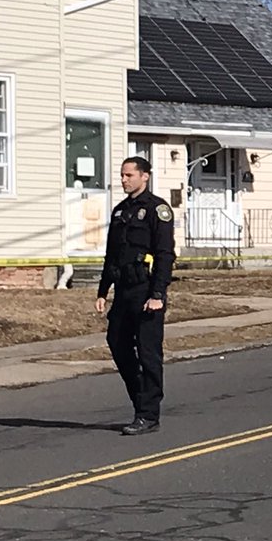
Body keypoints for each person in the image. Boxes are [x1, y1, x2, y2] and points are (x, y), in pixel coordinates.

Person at [96, 157, 177, 435]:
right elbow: (112, 254)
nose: (123, 180)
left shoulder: (157, 210)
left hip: (146, 290)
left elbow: (165, 255)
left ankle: (148, 414)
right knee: (116, 342)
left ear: (145, 177)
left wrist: (158, 294)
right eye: (121, 175)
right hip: (124, 290)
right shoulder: (121, 211)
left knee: (148, 352)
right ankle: (141, 399)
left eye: (129, 175)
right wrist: (103, 290)